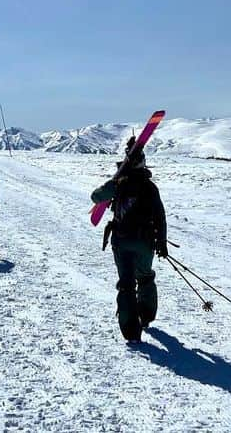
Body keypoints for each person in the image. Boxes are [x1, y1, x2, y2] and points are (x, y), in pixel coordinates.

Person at [90, 137, 168, 344]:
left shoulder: (118, 184)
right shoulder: (150, 188)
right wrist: (162, 242)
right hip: (144, 242)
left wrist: (113, 182)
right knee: (145, 277)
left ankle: (130, 330)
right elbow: (160, 216)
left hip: (121, 240)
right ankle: (146, 316)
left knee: (126, 284)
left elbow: (96, 197)